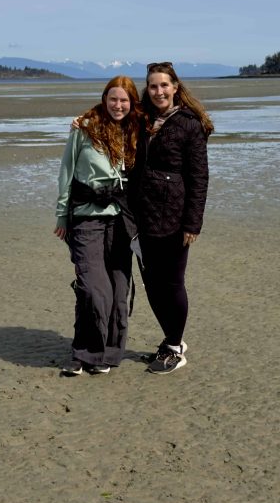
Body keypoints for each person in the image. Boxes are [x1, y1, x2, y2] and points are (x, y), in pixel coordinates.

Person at [54, 76, 142, 376]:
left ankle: (104, 353)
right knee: (93, 288)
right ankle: (87, 352)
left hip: (121, 220)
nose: (118, 105)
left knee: (118, 290)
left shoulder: (136, 130)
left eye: (124, 100)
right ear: (105, 99)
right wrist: (61, 215)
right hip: (86, 216)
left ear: (132, 103)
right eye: (113, 99)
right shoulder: (85, 129)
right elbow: (66, 171)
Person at [133, 62, 213, 374]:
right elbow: (109, 114)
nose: (159, 91)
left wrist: (193, 223)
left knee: (172, 283)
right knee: (151, 283)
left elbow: (199, 178)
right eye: (153, 86)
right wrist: (81, 123)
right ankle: (170, 340)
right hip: (142, 215)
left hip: (175, 217)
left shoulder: (189, 124)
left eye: (164, 85)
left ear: (175, 87)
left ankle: (175, 346)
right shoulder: (140, 118)